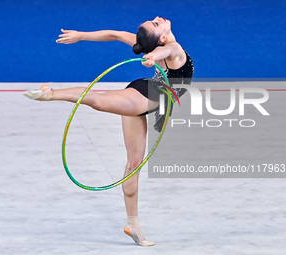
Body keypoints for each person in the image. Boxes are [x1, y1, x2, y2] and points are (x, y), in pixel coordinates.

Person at [24, 16, 194, 246]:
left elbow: (115, 34)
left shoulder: (164, 47)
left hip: (145, 93)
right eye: (155, 23)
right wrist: (153, 57)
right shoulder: (171, 48)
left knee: (134, 163)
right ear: (162, 37)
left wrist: (81, 35)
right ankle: (52, 94)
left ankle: (133, 223)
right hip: (148, 95)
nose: (156, 18)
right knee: (100, 102)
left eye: (153, 22)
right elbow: (163, 53)